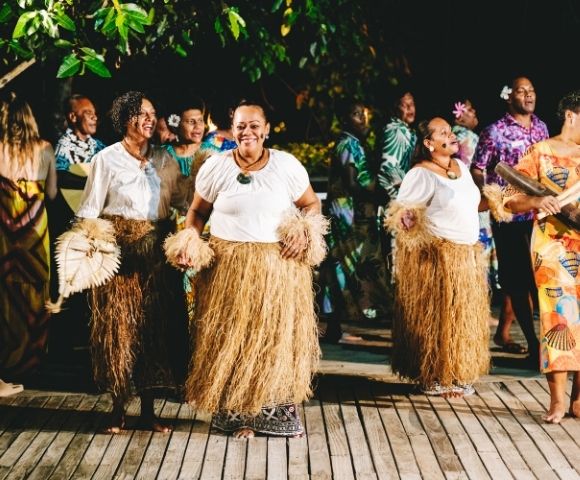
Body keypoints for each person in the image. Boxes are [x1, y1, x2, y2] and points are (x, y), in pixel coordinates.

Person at [167, 100, 327, 437]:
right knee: (232, 339)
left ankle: (273, 413)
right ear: (232, 128)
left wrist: (305, 231)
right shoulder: (216, 167)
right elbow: (197, 212)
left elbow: (311, 204)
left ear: (266, 130)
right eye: (241, 125)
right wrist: (190, 241)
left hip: (278, 267)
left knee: (272, 337)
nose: (247, 131)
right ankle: (237, 412)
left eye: (255, 125)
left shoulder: (286, 165)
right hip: (228, 266)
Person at [75, 91, 189, 433]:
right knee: (118, 331)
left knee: (154, 331)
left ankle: (151, 411)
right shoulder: (107, 160)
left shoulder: (165, 161)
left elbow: (184, 203)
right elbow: (89, 210)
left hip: (156, 256)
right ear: (126, 120)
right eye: (143, 114)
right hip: (118, 258)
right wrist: (93, 249)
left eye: (154, 114)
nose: (150, 119)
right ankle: (117, 407)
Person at [384, 117, 490, 397]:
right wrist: (407, 220)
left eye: (450, 130)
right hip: (437, 257)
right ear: (429, 144)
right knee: (437, 320)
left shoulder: (462, 168)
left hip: (466, 255)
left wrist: (501, 198)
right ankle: (433, 374)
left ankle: (456, 372)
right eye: (442, 132)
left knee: (460, 318)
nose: (451, 134)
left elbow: (474, 202)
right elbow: (403, 214)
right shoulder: (420, 174)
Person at [502, 89, 579, 423]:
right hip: (552, 245)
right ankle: (558, 401)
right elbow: (507, 197)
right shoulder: (541, 152)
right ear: (571, 116)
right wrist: (536, 203)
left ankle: (578, 401)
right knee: (558, 318)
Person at [472, 76, 549, 364]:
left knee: (540, 280)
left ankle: (548, 343)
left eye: (532, 90)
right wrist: (490, 197)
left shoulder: (541, 127)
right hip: (509, 218)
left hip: (541, 215)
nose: (528, 95)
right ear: (509, 96)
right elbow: (478, 169)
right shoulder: (494, 131)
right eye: (521, 91)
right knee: (517, 282)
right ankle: (532, 344)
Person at [318, 99, 391, 343]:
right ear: (345, 119)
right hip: (346, 214)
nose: (363, 118)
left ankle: (337, 324)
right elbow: (351, 183)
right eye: (356, 114)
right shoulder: (347, 143)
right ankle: (337, 322)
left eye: (364, 113)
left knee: (342, 267)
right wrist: (378, 194)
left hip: (355, 212)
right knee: (343, 266)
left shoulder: (356, 143)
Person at [0, 92, 57, 378]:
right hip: (35, 232)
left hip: (5, 234)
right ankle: (32, 359)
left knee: (7, 292)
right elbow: (52, 193)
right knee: (36, 288)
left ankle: (7, 358)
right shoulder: (45, 148)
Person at [49, 94, 106, 360]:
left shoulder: (100, 146)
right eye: (87, 112)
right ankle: (65, 343)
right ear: (73, 117)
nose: (94, 116)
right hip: (70, 221)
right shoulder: (61, 148)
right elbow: (62, 184)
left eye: (95, 112)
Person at [451, 99, 507, 346]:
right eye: (470, 111)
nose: (475, 114)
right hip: (475, 202)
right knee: (478, 258)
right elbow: (476, 170)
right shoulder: (467, 138)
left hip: (470, 201)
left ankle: (481, 313)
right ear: (460, 116)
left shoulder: (458, 137)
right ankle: (479, 314)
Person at [378, 88, 417, 200]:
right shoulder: (397, 131)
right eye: (404, 105)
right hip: (399, 204)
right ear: (395, 109)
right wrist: (401, 202)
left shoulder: (405, 130)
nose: (410, 108)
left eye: (412, 104)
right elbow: (388, 169)